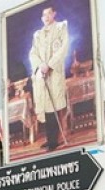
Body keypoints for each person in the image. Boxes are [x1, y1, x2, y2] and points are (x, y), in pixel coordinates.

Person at [29, 6, 69, 151]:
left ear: (54, 14)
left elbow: (63, 48)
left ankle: (54, 140)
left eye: (48, 14)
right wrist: (40, 65)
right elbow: (33, 53)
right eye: (43, 15)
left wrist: (49, 65)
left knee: (53, 107)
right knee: (45, 108)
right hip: (42, 73)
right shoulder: (37, 35)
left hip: (54, 72)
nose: (46, 17)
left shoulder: (60, 27)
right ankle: (49, 138)